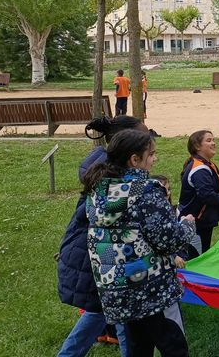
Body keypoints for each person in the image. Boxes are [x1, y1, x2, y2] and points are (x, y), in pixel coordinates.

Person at [84, 129, 197, 357]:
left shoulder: (99, 190)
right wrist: (187, 225)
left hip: (117, 288)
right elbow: (168, 240)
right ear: (134, 159)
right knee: (174, 346)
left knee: (138, 347)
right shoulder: (146, 192)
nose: (155, 159)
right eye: (152, 154)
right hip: (152, 288)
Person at [56, 116, 146, 357]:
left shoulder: (102, 169)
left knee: (112, 314)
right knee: (112, 314)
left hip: (92, 251)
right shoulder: (114, 179)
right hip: (99, 255)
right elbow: (120, 221)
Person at [178, 130, 219, 253]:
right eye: (209, 140)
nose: (214, 143)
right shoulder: (199, 169)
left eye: (213, 140)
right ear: (197, 147)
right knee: (199, 254)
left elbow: (211, 192)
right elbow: (207, 196)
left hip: (206, 213)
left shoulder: (207, 164)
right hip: (195, 219)